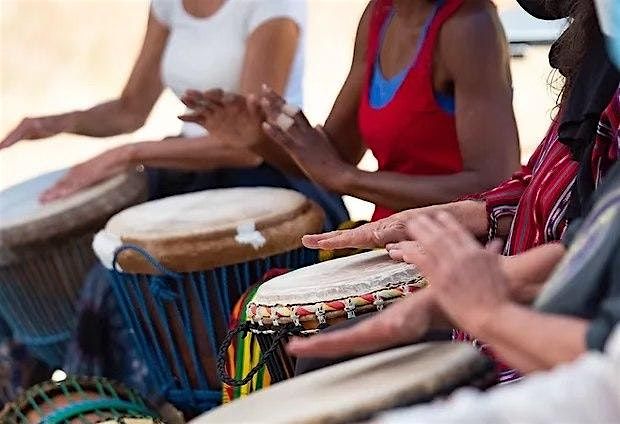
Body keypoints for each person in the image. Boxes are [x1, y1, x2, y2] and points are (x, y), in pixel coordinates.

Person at [0, 0, 348, 230]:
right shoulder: (170, 4)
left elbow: (245, 145)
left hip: (270, 172)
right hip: (193, 168)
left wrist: (128, 154)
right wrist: (61, 122)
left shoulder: (270, 5)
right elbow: (130, 110)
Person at [185, 0, 521, 221]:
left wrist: (350, 179)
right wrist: (257, 138)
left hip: (466, 248)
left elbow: (495, 183)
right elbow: (333, 157)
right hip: (393, 238)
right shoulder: (381, 14)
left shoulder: (468, 26)